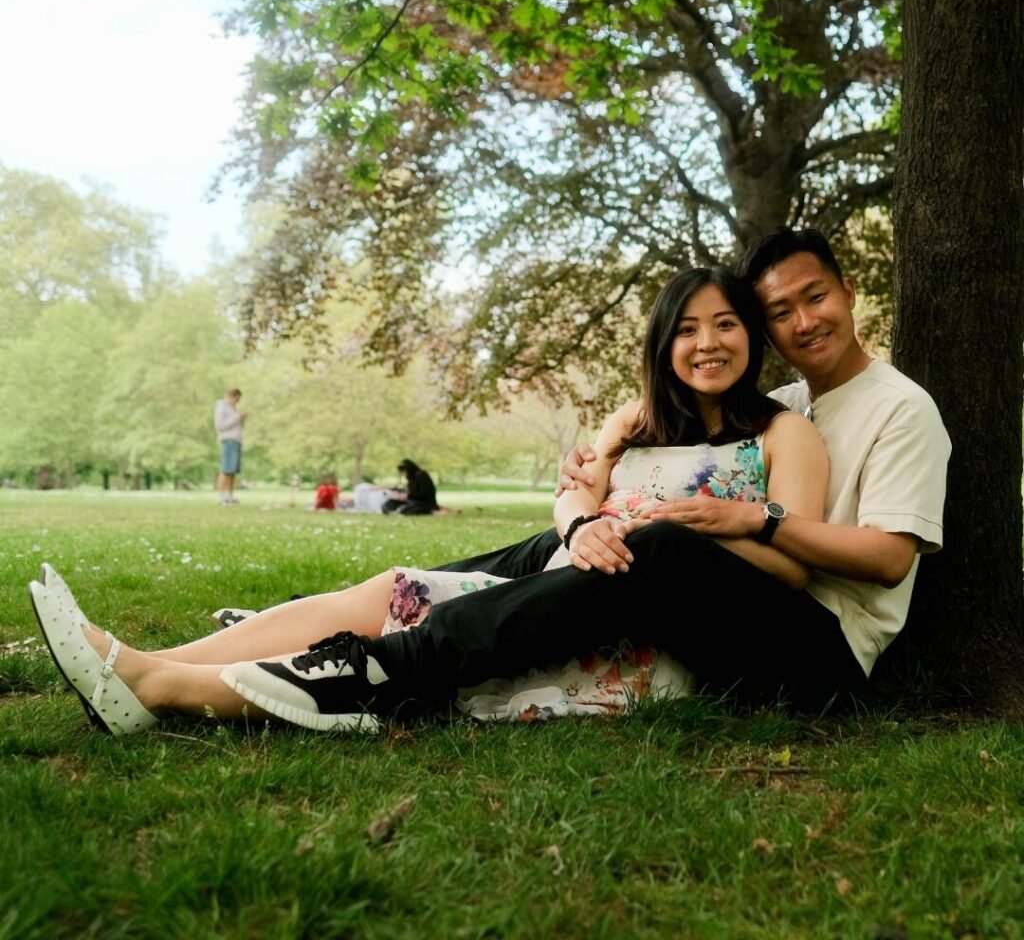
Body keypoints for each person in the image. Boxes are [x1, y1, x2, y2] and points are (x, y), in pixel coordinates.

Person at [27, 266, 826, 734]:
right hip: (561, 577)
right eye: (687, 328)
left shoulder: (783, 435)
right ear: (663, 343)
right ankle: (142, 667)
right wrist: (581, 526)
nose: (708, 343)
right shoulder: (636, 422)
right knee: (393, 589)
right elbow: (571, 496)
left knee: (418, 630)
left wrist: (709, 526)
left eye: (726, 325)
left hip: (638, 628)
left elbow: (790, 571)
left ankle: (158, 688)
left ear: (752, 339)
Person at [207, 228, 949, 726]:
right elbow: (647, 441)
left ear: (848, 292)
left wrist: (758, 521)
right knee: (565, 545)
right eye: (780, 311)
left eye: (814, 298)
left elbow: (886, 560)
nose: (803, 322)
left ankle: (390, 663)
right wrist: (585, 495)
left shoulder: (900, 409)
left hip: (823, 654)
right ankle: (378, 609)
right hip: (741, 602)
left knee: (653, 547)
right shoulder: (786, 404)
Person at [213, 388, 246, 505]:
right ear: (232, 396)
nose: (237, 402)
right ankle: (221, 496)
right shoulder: (222, 407)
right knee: (226, 469)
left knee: (232, 470)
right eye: (237, 399)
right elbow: (220, 425)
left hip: (236, 440)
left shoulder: (232, 408)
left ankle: (229, 495)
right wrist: (237, 418)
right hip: (228, 440)